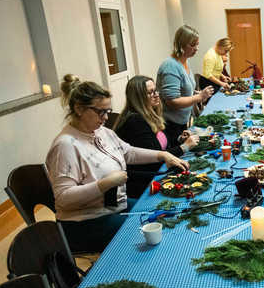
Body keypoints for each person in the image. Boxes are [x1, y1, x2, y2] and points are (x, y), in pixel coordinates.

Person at [46, 79, 189, 253]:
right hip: (87, 221)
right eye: (101, 112)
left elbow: (127, 152)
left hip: (113, 206)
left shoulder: (101, 131)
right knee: (150, 228)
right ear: (79, 109)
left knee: (162, 213)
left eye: (108, 111)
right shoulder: (66, 146)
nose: (106, 117)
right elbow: (63, 198)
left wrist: (163, 154)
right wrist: (103, 184)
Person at [114, 75, 200, 198]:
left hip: (156, 172)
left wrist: (180, 139)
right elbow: (155, 160)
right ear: (138, 98)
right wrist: (184, 147)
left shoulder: (150, 114)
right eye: (150, 93)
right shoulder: (135, 121)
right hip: (146, 183)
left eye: (156, 90)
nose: (156, 95)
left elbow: (162, 143)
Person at [157, 25, 214, 144]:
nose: (196, 48)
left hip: (182, 121)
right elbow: (172, 102)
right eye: (193, 45)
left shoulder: (185, 61)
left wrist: (196, 93)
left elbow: (185, 89)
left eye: (197, 44)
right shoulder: (171, 66)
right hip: (170, 125)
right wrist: (199, 97)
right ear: (181, 44)